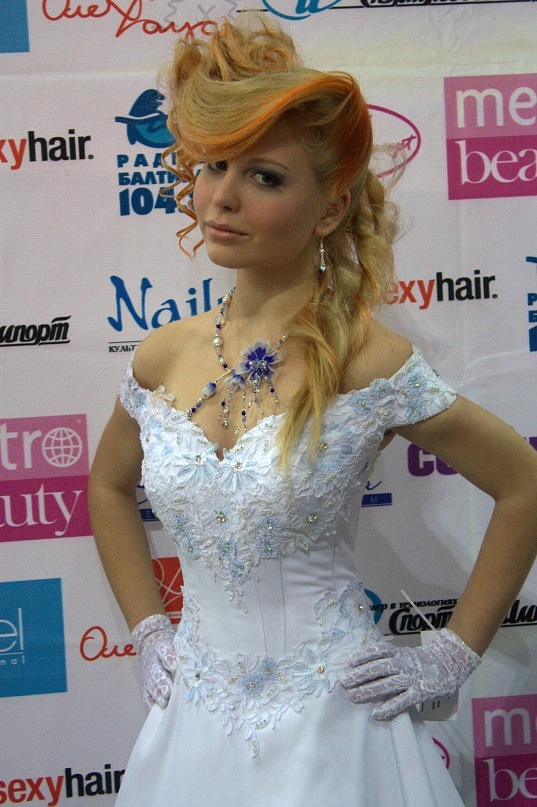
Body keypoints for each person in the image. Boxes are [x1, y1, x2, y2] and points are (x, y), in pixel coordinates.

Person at [88, 16, 537, 807]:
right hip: (193, 726)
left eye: (264, 177)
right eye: (214, 165)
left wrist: (449, 656)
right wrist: (149, 629)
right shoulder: (161, 355)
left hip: (338, 730)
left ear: (328, 209)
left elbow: (523, 482)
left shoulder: (367, 360)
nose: (221, 196)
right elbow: (106, 486)